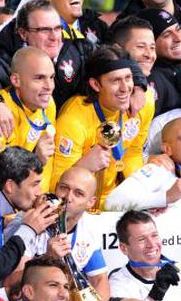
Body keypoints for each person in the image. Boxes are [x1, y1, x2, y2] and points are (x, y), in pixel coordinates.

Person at [50, 45, 155, 206]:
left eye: (128, 78)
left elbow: (133, 152)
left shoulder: (143, 103)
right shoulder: (73, 120)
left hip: (116, 198)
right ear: (95, 85)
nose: (125, 88)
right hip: (81, 205)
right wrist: (83, 166)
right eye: (115, 81)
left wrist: (141, 192)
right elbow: (55, 186)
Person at [0, 1, 70, 141]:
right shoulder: (2, 63)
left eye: (57, 28)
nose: (54, 37)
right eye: (44, 30)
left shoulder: (70, 56)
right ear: (23, 33)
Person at [4, 167, 112, 301]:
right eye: (64, 188)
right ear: (55, 188)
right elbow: (10, 288)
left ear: (91, 202)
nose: (68, 197)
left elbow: (99, 279)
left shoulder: (89, 227)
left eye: (78, 193)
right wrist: (48, 259)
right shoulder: (29, 224)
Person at [0, 47, 58, 186]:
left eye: (51, 77)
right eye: (39, 78)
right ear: (16, 80)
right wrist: (35, 160)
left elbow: (48, 165)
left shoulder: (48, 105)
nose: (49, 86)